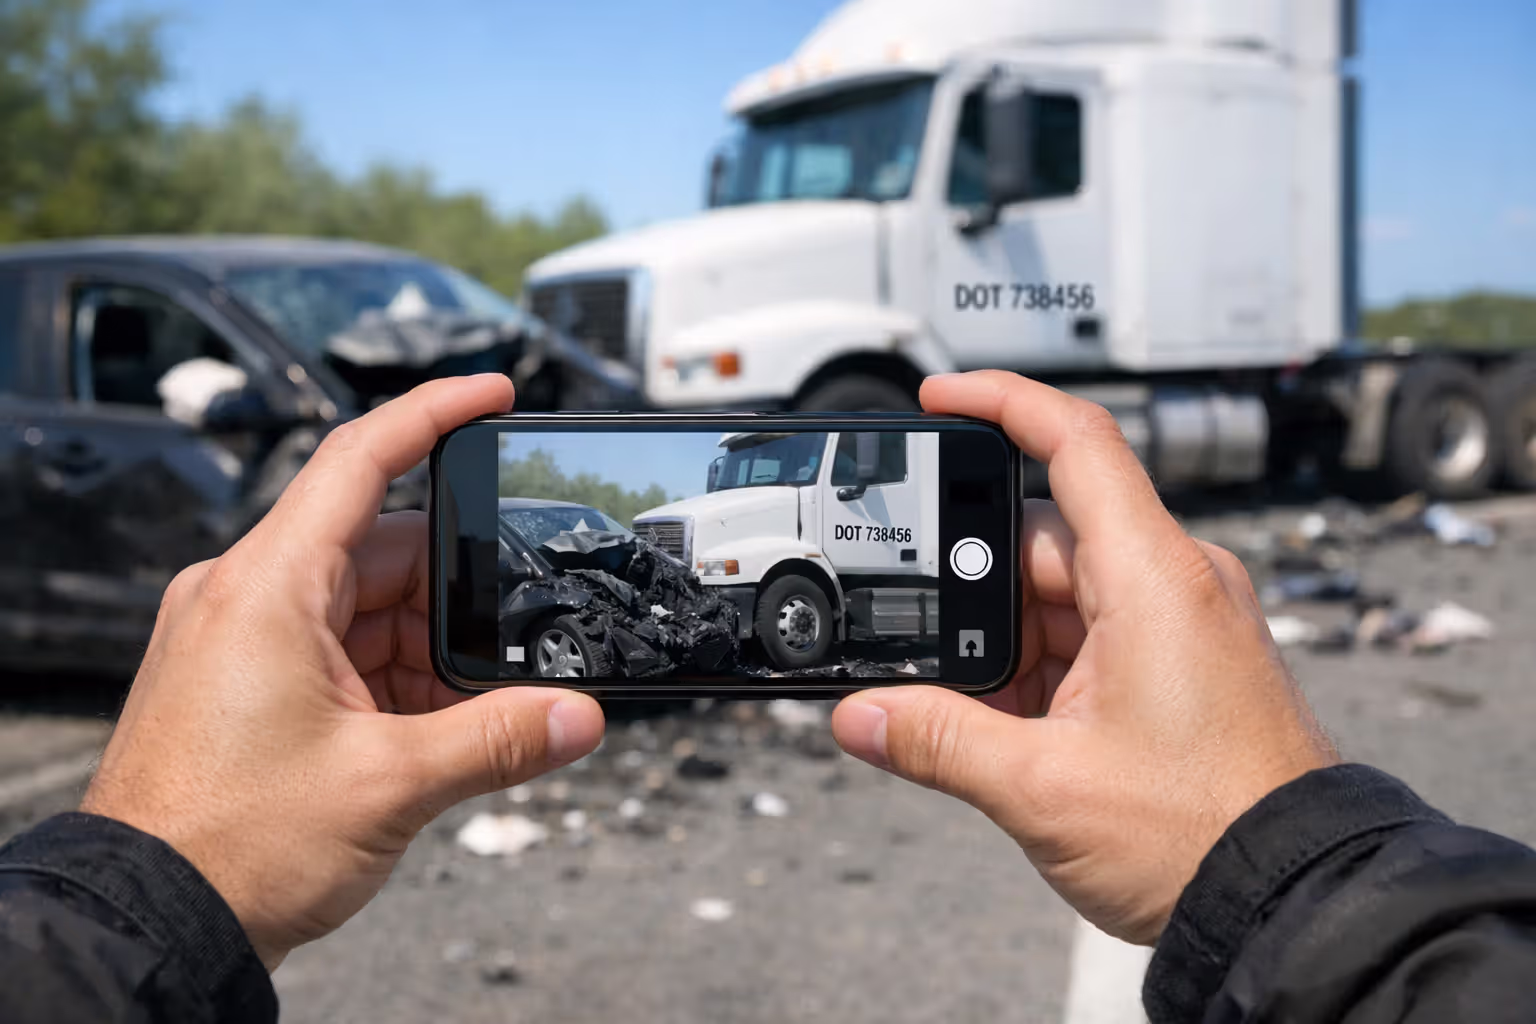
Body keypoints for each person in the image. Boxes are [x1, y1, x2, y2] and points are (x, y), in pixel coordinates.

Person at [0, 371, 1531, 1022]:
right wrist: (1312, 886)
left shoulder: (820, 515)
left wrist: (141, 891)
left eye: (770, 473)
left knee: (788, 612)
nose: (748, 497)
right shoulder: (717, 525)